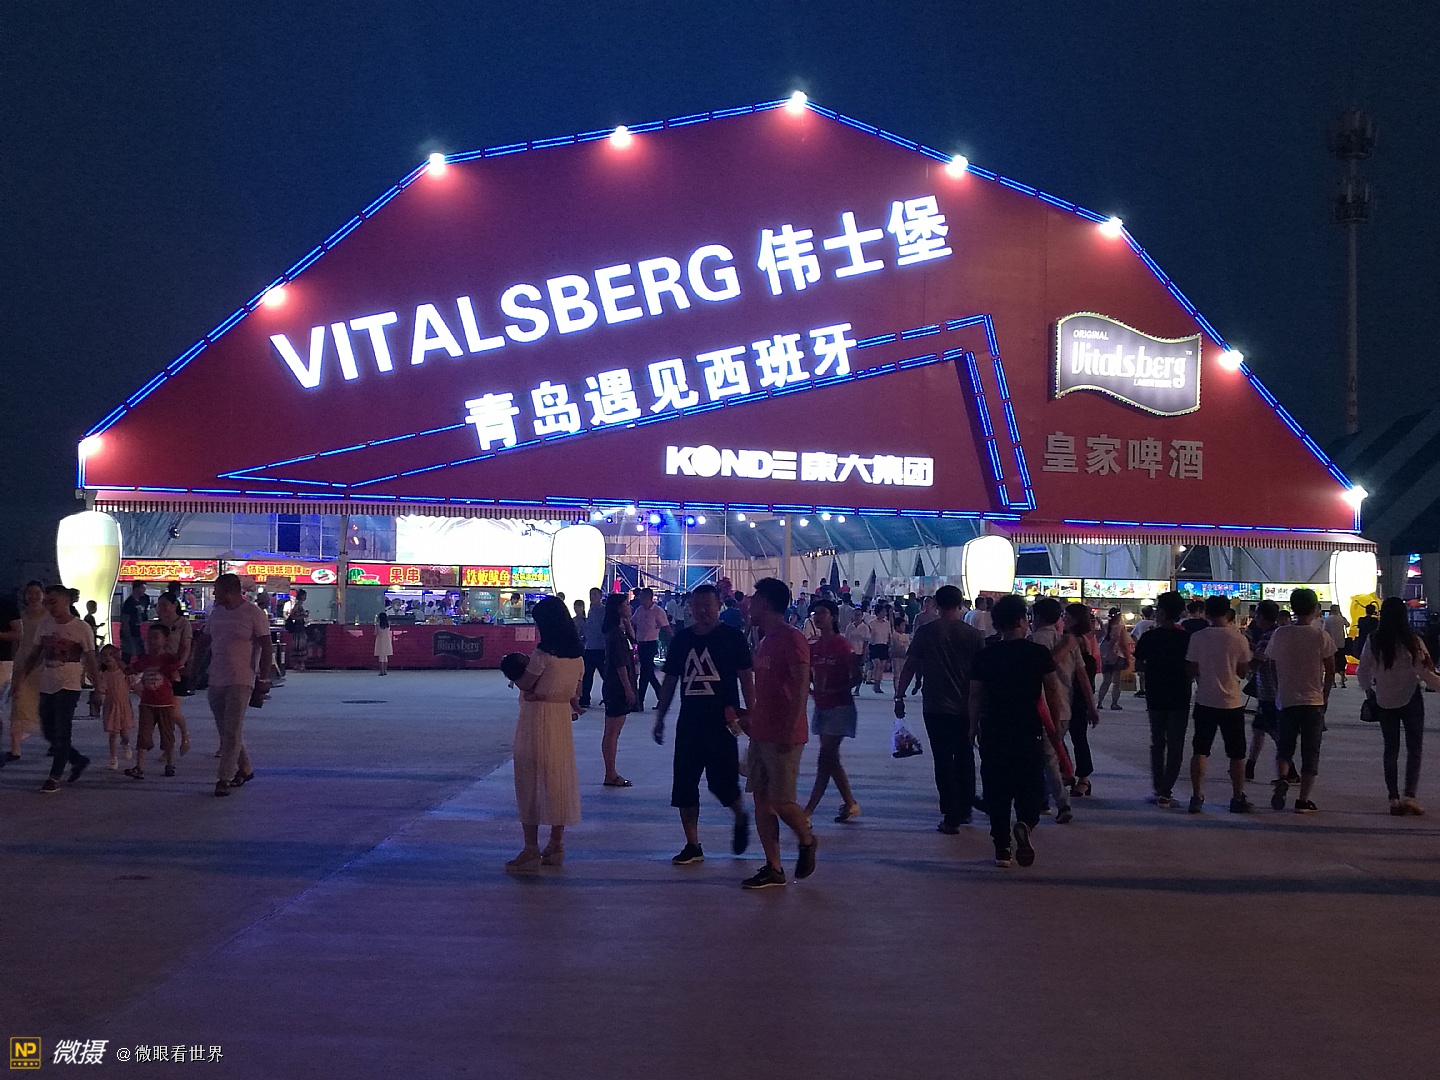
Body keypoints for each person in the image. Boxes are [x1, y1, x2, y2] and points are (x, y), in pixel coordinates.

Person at [652, 584, 753, 864]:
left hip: (723, 723)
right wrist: (660, 717)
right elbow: (670, 681)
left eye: (708, 605)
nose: (703, 611)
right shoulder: (682, 640)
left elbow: (746, 678)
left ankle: (739, 815)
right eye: (697, 606)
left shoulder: (732, 638)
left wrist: (751, 713)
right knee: (684, 784)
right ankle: (692, 844)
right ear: (690, 609)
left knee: (723, 783)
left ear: (719, 605)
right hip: (690, 723)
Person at [969, 595, 1065, 868]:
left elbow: (975, 696)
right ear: (1022, 621)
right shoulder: (1038, 654)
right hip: (1028, 729)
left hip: (994, 729)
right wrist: (1055, 725)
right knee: (1030, 786)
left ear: (997, 624)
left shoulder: (985, 655)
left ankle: (1002, 849)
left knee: (996, 790)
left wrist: (972, 727)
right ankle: (1025, 823)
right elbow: (1052, 692)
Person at [738, 578, 817, 890]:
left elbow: (801, 685)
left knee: (782, 801)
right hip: (762, 731)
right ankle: (773, 866)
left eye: (755, 600)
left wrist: (790, 726)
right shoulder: (765, 640)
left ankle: (807, 839)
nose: (749, 606)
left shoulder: (791, 638)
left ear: (768, 604)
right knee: (761, 800)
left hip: (784, 733)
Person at [894, 585, 986, 832]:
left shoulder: (926, 632)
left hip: (936, 705)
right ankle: (965, 808)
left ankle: (950, 815)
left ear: (936, 604)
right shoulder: (974, 635)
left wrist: (899, 696)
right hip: (967, 706)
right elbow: (982, 673)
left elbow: (910, 664)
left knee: (943, 758)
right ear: (960, 604)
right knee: (965, 756)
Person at [506, 596, 584, 871]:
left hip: (536, 720)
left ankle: (530, 849)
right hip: (560, 721)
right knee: (558, 780)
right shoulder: (577, 657)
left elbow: (527, 683)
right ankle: (556, 844)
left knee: (530, 781)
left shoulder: (542, 654)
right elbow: (576, 692)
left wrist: (514, 673)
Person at [1358, 597, 1440, 815]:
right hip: (1411, 698)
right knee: (1414, 748)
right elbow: (1424, 672)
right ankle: (1409, 796)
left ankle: (1393, 798)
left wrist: (1369, 691)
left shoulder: (1374, 640)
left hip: (1384, 699)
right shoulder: (1412, 641)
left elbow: (1362, 670)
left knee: (1391, 749)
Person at [21, 583, 101, 793]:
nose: (50, 606)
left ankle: (54, 777)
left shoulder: (81, 628)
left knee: (62, 731)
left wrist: (98, 687)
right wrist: (23, 676)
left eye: (54, 602)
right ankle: (78, 759)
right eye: (48, 602)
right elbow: (35, 653)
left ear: (66, 600)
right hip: (47, 682)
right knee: (48, 731)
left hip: (69, 685)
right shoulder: (45, 625)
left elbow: (91, 658)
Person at [1266, 588, 1334, 813]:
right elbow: (1331, 669)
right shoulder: (1320, 636)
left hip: (1286, 700)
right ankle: (1303, 800)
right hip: (1313, 701)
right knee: (1310, 751)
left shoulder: (1280, 634)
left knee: (1285, 747)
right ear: (1315, 609)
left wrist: (1279, 689)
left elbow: (1271, 665)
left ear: (1292, 607)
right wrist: (1325, 695)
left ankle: (1283, 778)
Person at [1184, 595, 1255, 814]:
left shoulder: (1197, 637)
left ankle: (1197, 796)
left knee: (1200, 750)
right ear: (1228, 613)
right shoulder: (1239, 638)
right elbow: (1242, 672)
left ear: (1206, 612)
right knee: (1237, 753)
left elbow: (1191, 669)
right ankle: (1237, 797)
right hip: (1231, 702)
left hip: (1205, 700)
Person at [206, 573, 273, 797]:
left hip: (241, 679)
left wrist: (263, 678)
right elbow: (205, 640)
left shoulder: (253, 613)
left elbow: (266, 646)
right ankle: (245, 768)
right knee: (225, 730)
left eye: (216, 590)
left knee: (232, 730)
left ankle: (224, 778)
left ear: (229, 592)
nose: (214, 594)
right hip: (216, 677)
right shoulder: (216, 613)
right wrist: (192, 667)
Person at [803, 599, 861, 823]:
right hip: (822, 706)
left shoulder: (842, 645)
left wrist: (837, 688)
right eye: (815, 613)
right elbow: (809, 673)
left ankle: (808, 812)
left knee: (825, 758)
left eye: (822, 613)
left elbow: (856, 675)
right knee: (831, 759)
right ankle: (850, 803)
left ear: (833, 617)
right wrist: (811, 688)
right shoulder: (814, 647)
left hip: (839, 707)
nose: (817, 617)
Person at [1133, 592, 1192, 808]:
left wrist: (1154, 669)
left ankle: (1158, 788)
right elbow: (1191, 668)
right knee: (1176, 745)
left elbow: (1138, 665)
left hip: (1156, 695)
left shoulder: (1150, 637)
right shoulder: (1186, 638)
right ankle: (1166, 792)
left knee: (1157, 743)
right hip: (1179, 696)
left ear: (1164, 612)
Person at [125, 623, 182, 779]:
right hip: (147, 703)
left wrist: (173, 673)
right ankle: (139, 767)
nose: (151, 641)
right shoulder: (145, 659)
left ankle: (170, 763)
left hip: (165, 702)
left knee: (167, 734)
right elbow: (131, 669)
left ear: (165, 640)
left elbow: (177, 675)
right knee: (143, 735)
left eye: (156, 637)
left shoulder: (169, 659)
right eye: (149, 637)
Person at [3, 582, 46, 765]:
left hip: (42, 665)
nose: (33, 596)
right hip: (21, 662)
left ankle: (54, 739)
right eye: (30, 593)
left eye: (37, 593)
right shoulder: (21, 616)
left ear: (43, 595)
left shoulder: (49, 617)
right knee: (18, 702)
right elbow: (17, 642)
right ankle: (15, 748)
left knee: (43, 706)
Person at [599, 593, 637, 787]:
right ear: (618, 608)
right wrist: (628, 688)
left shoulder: (619, 631)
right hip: (617, 686)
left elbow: (634, 641)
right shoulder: (615, 634)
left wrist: (628, 623)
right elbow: (620, 664)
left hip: (617, 685)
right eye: (626, 604)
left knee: (613, 732)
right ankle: (611, 773)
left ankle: (611, 772)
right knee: (612, 732)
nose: (629, 607)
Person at [1244, 600, 1282, 782]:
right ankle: (1249, 767)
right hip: (1269, 691)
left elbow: (1256, 663)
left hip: (1269, 692)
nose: (1255, 618)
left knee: (1275, 732)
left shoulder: (1268, 636)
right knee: (1258, 729)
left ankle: (1289, 770)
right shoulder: (1278, 633)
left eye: (1257, 615)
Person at [93, 643, 134, 769]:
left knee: (124, 731)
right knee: (112, 733)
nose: (107, 658)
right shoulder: (104, 675)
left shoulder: (123, 673)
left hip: (123, 705)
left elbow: (133, 681)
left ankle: (126, 744)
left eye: (110, 655)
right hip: (111, 707)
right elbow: (101, 689)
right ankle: (113, 757)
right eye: (104, 655)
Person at [631, 588, 670, 711]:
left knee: (644, 673)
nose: (639, 599)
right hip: (641, 644)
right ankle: (662, 698)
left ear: (648, 598)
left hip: (651, 644)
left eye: (642, 597)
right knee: (648, 673)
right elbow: (633, 623)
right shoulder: (639, 610)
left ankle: (639, 702)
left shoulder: (658, 611)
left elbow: (667, 627)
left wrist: (672, 643)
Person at [1095, 608, 1132, 711]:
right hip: (1118, 656)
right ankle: (1114, 703)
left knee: (1106, 681)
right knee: (1116, 682)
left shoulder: (1106, 626)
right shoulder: (1121, 628)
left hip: (1106, 657)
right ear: (1119, 616)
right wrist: (1128, 658)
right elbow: (1123, 644)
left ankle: (1100, 702)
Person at [579, 587, 606, 709]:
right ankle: (585, 698)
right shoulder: (590, 611)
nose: (592, 597)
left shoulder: (603, 611)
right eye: (591, 594)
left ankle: (609, 696)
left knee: (605, 674)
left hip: (601, 648)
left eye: (595, 594)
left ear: (600, 596)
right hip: (590, 647)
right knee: (587, 674)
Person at [866, 602, 893, 693]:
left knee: (882, 666)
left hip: (883, 645)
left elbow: (889, 634)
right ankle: (875, 683)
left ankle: (878, 683)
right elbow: (868, 634)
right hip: (874, 645)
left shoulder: (887, 623)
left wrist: (890, 645)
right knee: (877, 664)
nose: (884, 613)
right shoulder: (872, 623)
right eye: (883, 611)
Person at [120, 581, 151, 661]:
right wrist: (128, 636)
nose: (144, 590)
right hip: (132, 633)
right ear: (136, 589)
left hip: (139, 632)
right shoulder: (129, 603)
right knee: (129, 654)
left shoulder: (144, 600)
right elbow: (125, 621)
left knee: (141, 655)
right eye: (142, 588)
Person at [1323, 604, 1351, 689]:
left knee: (1333, 662)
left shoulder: (1328, 619)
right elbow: (1348, 625)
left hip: (1332, 643)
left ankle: (1333, 681)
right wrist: (1341, 615)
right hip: (1341, 643)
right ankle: (1342, 679)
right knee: (1341, 660)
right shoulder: (1341, 619)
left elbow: (1325, 630)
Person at [1130, 605, 1155, 697]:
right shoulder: (1155, 623)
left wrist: (1138, 642)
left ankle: (1142, 689)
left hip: (1142, 647)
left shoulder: (1140, 623)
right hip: (1154, 648)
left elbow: (1132, 634)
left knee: (1141, 670)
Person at [843, 607, 869, 695]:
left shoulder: (865, 627)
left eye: (859, 615)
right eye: (855, 615)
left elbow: (866, 642)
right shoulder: (849, 627)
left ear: (862, 616)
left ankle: (857, 689)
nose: (857, 617)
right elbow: (846, 640)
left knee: (859, 672)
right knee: (849, 671)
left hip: (860, 651)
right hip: (850, 652)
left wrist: (864, 654)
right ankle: (848, 688)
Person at [286, 589, 310, 671]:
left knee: (299, 645)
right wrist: (303, 616)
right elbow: (293, 616)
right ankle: (299, 663)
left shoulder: (298, 605)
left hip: (299, 627)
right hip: (298, 628)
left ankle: (298, 664)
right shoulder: (298, 605)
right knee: (300, 645)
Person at [374, 610, 392, 675]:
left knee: (381, 656)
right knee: (385, 656)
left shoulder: (378, 625)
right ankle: (385, 670)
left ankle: (381, 671)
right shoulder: (388, 625)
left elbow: (376, 633)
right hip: (387, 640)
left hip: (380, 640)